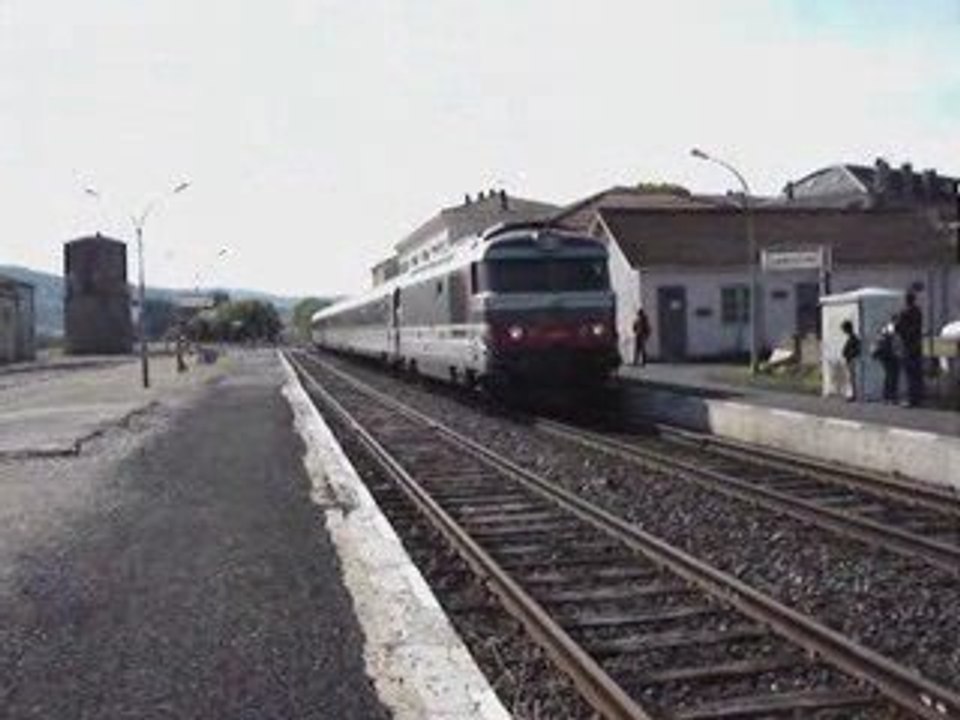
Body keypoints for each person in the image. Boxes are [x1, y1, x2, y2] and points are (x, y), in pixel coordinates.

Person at [894, 291, 923, 406]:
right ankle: (918, 398)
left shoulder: (904, 312)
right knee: (917, 373)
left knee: (909, 374)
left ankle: (911, 399)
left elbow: (897, 327)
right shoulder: (918, 311)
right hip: (917, 344)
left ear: (906, 300)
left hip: (907, 345)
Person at [871, 318, 900, 403]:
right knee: (892, 376)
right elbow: (891, 340)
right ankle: (891, 397)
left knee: (889, 376)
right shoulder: (891, 327)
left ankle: (887, 397)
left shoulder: (886, 328)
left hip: (885, 355)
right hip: (889, 355)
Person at [840, 319, 861, 401]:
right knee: (851, 378)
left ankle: (853, 395)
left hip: (852, 360)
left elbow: (856, 349)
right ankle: (853, 395)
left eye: (844, 329)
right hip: (850, 360)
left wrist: (850, 354)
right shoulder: (852, 338)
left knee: (852, 378)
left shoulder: (853, 338)